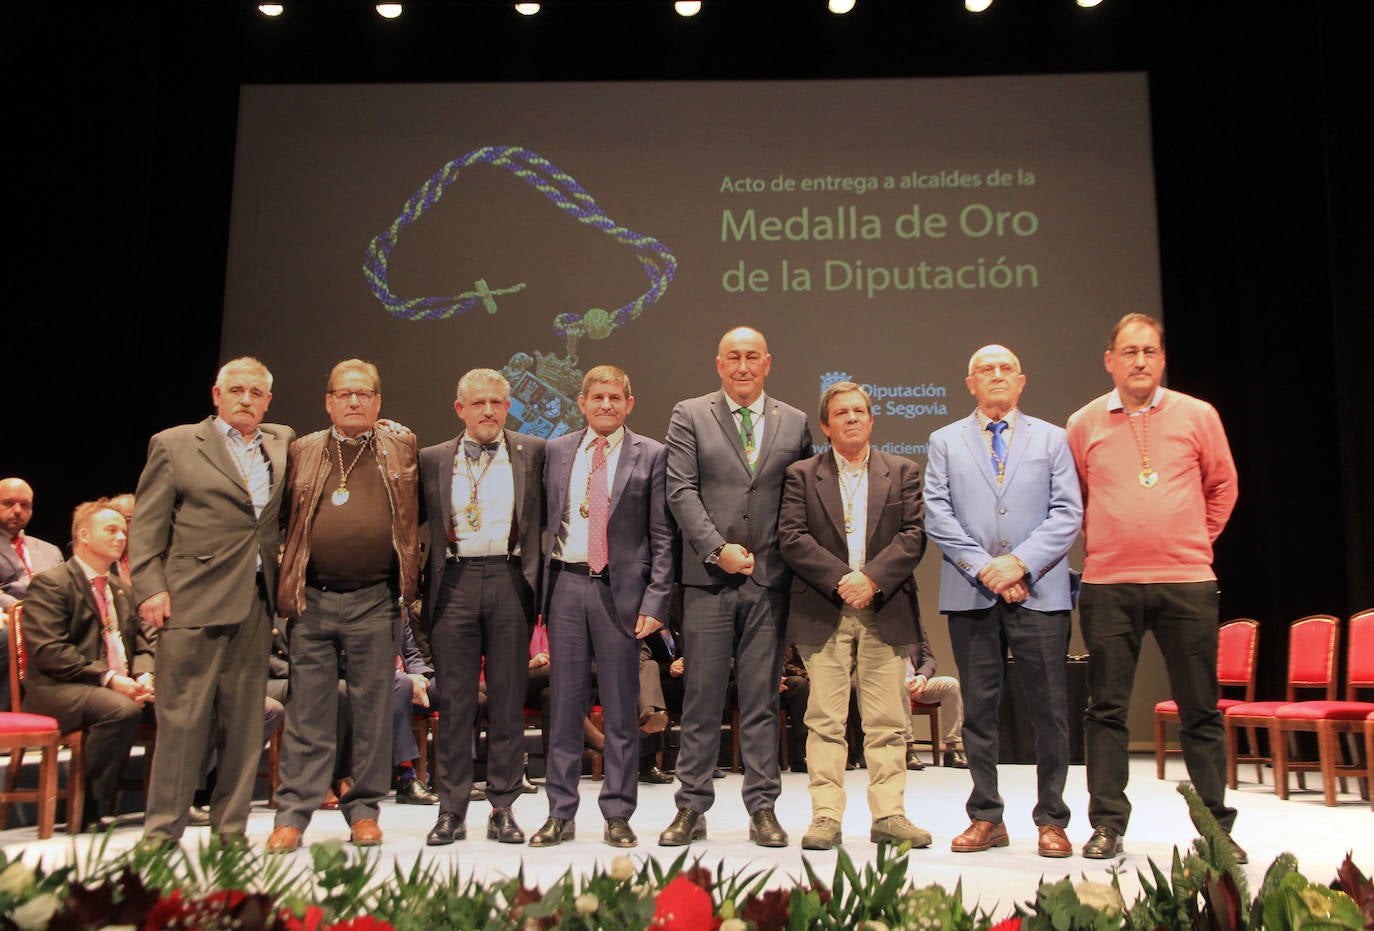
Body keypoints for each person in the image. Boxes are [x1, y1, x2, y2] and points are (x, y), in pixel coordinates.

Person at [1066, 313, 1241, 861]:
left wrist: (1193, 542)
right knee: (1106, 709)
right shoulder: (1084, 422)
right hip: (1109, 584)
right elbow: (1074, 500)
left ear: (1162, 359)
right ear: (1110, 360)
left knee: (1201, 709)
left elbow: (1223, 485)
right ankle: (1107, 825)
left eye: (1150, 351)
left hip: (1186, 582)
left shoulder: (1198, 415)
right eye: (1129, 352)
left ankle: (1217, 830)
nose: (1140, 361)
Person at [924, 344, 1082, 858]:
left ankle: (1052, 820)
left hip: (1040, 591)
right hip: (973, 594)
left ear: (1021, 381)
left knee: (1050, 711)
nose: (995, 375)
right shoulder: (944, 441)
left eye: (1005, 369)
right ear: (970, 382)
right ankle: (986, 816)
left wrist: (1020, 564)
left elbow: (1067, 513)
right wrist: (987, 569)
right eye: (985, 370)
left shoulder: (1054, 439)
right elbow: (938, 515)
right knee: (979, 713)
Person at [131, 356, 294, 847]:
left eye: (256, 393)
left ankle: (231, 832)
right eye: (237, 390)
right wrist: (150, 588)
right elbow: (146, 525)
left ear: (268, 400)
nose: (246, 399)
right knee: (183, 724)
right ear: (216, 394)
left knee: (244, 727)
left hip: (254, 604)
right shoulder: (176, 443)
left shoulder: (281, 442)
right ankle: (161, 834)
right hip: (191, 601)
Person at [659, 327, 812, 849]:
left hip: (771, 580)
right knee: (701, 698)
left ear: (767, 362)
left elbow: (803, 499)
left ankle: (763, 807)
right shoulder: (690, 413)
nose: (742, 366)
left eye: (752, 357)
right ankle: (691, 807)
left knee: (762, 699)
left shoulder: (794, 421)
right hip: (708, 579)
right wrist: (715, 547)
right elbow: (679, 490)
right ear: (718, 364)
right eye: (733, 357)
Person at [267, 359, 421, 852]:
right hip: (312, 600)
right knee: (308, 710)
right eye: (344, 393)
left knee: (373, 711)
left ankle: (364, 811)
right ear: (328, 401)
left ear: (378, 402)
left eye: (364, 394)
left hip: (375, 600)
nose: (354, 401)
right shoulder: (303, 450)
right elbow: (283, 520)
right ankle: (293, 814)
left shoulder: (401, 446)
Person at [779, 381, 930, 851]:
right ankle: (825, 816)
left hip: (884, 608)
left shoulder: (902, 470)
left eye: (859, 411)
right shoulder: (802, 474)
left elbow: (913, 536)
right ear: (825, 425)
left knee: (887, 722)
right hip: (825, 608)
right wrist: (844, 578)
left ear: (871, 419)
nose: (852, 418)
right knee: (824, 719)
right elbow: (792, 537)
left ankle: (889, 814)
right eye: (841, 412)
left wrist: (872, 580)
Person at [528, 365, 675, 849]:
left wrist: (656, 599)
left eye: (615, 397)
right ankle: (560, 814)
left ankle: (617, 812)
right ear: (582, 402)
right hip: (567, 587)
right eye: (598, 397)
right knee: (566, 708)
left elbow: (661, 534)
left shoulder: (651, 454)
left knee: (619, 708)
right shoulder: (556, 450)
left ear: (629, 403)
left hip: (622, 593)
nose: (606, 405)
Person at [420, 368, 545, 846]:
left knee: (509, 700)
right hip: (454, 580)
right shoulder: (432, 458)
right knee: (455, 704)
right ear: (460, 409)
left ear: (508, 406)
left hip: (511, 579)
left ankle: (504, 807)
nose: (488, 411)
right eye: (478, 404)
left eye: (496, 402)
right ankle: (450, 810)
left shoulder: (533, 451)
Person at [21, 500, 154, 828]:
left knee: (184, 704)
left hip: (112, 684)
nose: (121, 537)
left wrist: (145, 673)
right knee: (119, 709)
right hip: (58, 688)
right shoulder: (51, 583)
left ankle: (173, 804)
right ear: (83, 535)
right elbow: (50, 651)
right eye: (111, 530)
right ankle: (85, 808)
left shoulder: (120, 589)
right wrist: (110, 678)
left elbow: (142, 643)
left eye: (123, 531)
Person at [1, 478, 65, 711]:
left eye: (24, 505)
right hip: (12, 620)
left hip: (53, 620)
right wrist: (26, 610)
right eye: (8, 503)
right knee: (13, 635)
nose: (17, 510)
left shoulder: (49, 550)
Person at [902, 637, 966, 770]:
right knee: (902, 686)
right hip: (894, 685)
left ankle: (951, 749)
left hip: (917, 681)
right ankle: (907, 750)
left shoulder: (914, 625)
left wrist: (922, 677)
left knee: (950, 685)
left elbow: (929, 660)